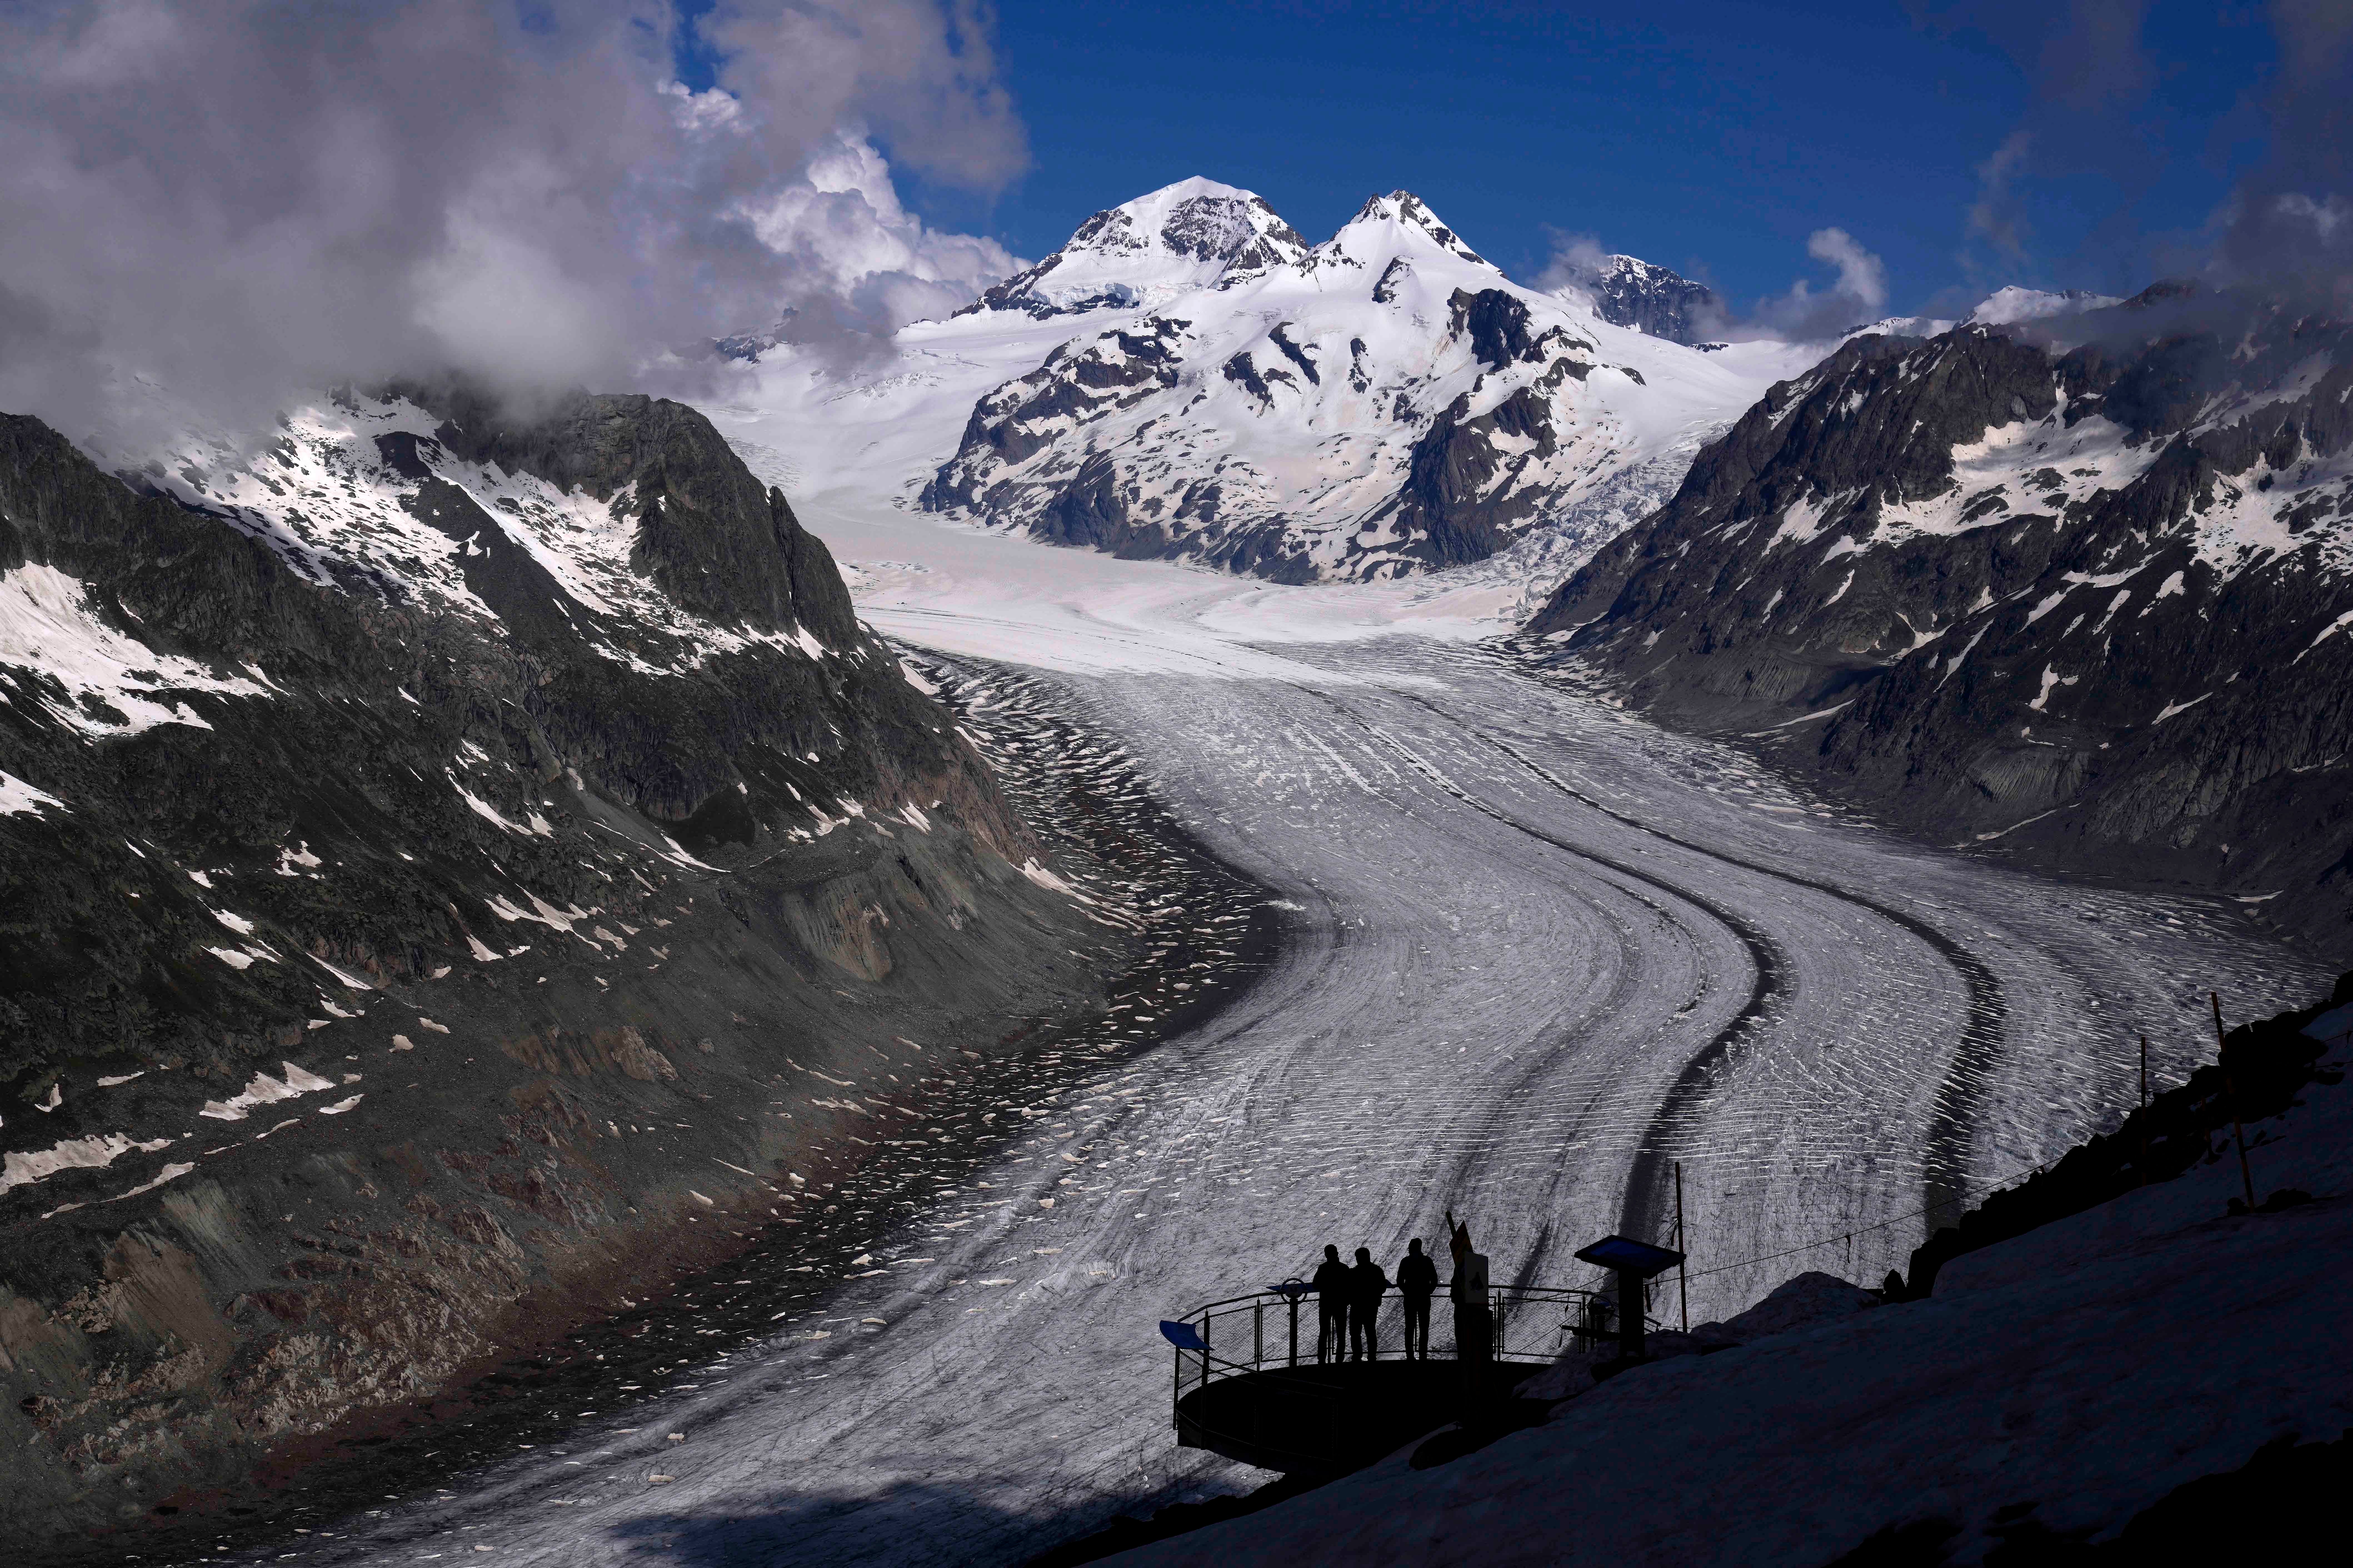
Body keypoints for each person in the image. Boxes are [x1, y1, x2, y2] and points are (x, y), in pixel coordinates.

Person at [1445, 1208, 1491, 1367]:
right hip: (1473, 1307)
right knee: (1470, 1336)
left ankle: (1464, 1359)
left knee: (1463, 1335)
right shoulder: (1475, 1267)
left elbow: (1455, 1284)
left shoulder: (1462, 1268)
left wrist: (1455, 1296)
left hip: (1463, 1306)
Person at [1395, 1238, 1438, 1360]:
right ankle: (1423, 1354)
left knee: (1409, 1328)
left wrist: (1407, 1292)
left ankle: (1410, 1355)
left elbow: (1399, 1281)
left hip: (1410, 1299)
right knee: (1424, 1328)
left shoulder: (1405, 1262)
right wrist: (1428, 1292)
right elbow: (1434, 1279)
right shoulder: (1427, 1261)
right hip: (1424, 1299)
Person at [1311, 1244, 1351, 1363]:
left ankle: (1322, 1360)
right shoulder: (1344, 1268)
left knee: (1324, 1333)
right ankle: (1339, 1361)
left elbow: (1315, 1285)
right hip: (1341, 1305)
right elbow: (1350, 1286)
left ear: (1326, 1255)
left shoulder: (1323, 1268)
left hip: (1326, 1304)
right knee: (1341, 1334)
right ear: (1337, 1254)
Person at [1347, 1247, 1389, 1361]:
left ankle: (1357, 1355)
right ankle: (1372, 1356)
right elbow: (1383, 1288)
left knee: (1355, 1333)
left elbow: (1348, 1289)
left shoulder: (1353, 1273)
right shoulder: (1377, 1271)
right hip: (1372, 1306)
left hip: (1357, 1306)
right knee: (1371, 1332)